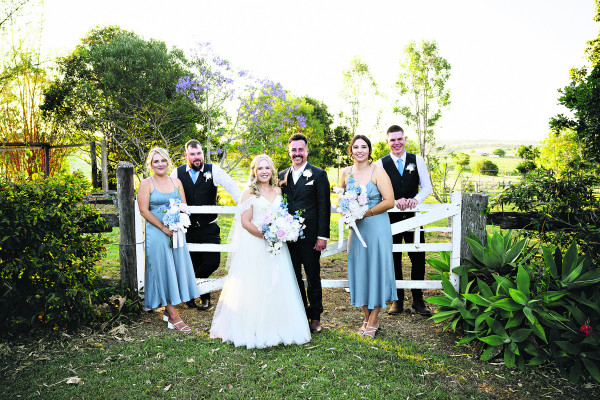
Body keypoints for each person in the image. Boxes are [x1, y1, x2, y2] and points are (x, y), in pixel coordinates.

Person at [210, 154, 311, 348]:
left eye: (267, 168)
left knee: (278, 283)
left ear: (272, 170)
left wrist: (281, 231)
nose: (264, 172)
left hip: (277, 246)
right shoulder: (249, 192)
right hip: (255, 244)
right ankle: (253, 326)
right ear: (254, 172)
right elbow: (245, 222)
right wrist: (266, 236)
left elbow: (282, 215)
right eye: (260, 168)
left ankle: (278, 325)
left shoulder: (278, 190)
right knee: (256, 284)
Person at [171, 140, 242, 310]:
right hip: (187, 229)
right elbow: (171, 194)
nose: (197, 157)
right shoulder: (177, 173)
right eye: (193, 154)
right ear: (186, 155)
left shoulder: (213, 170)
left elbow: (232, 186)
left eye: (199, 153)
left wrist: (243, 203)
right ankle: (204, 298)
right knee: (194, 263)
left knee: (212, 262)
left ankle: (189, 289)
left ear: (203, 153)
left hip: (209, 227)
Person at [137, 147, 200, 332]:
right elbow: (143, 210)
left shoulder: (176, 182)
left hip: (175, 231)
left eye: (163, 160)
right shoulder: (146, 183)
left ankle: (168, 309)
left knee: (175, 268)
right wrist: (163, 227)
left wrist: (178, 222)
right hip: (157, 232)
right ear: (151, 164)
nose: (160, 164)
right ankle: (173, 315)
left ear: (168, 162)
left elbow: (183, 205)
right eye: (156, 161)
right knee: (162, 270)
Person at [341, 135, 396, 338]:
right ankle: (366, 317)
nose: (360, 150)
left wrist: (366, 212)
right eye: (355, 147)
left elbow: (389, 201)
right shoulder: (346, 173)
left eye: (363, 147)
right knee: (360, 270)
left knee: (377, 269)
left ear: (369, 150)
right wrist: (347, 212)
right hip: (356, 230)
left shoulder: (378, 171)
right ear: (350, 150)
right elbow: (343, 198)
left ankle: (374, 319)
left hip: (376, 227)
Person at [375, 125, 433, 315]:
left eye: (399, 139)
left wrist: (415, 200)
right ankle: (397, 300)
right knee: (393, 257)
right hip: (390, 218)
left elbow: (427, 187)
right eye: (392, 140)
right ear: (387, 142)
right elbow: (378, 191)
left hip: (414, 217)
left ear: (405, 140)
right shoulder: (381, 164)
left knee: (418, 257)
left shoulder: (417, 160)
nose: (396, 143)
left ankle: (418, 300)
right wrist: (393, 201)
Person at [278, 133, 331, 334]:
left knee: (312, 275)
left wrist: (322, 236)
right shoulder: (281, 175)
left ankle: (316, 316)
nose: (297, 153)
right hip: (287, 236)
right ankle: (301, 312)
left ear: (307, 151)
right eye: (294, 150)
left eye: (301, 149)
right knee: (293, 276)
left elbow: (324, 207)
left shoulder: (318, 175)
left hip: (311, 237)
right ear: (289, 152)